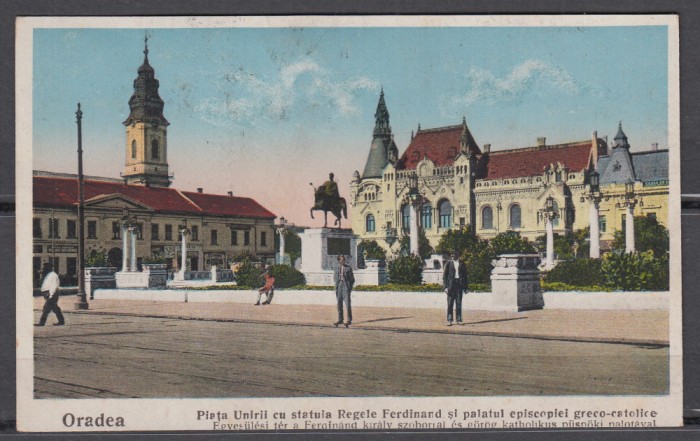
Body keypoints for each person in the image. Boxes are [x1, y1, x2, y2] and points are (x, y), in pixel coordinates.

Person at [443, 251, 468, 326]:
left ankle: (459, 320)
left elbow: (465, 276)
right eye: (451, 255)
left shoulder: (462, 264)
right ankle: (449, 320)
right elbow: (445, 276)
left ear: (458, 255)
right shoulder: (448, 264)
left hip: (459, 285)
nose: (452, 256)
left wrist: (466, 287)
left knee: (459, 304)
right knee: (450, 304)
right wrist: (445, 287)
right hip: (451, 285)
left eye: (454, 255)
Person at [333, 255, 355, 327]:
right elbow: (335, 278)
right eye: (342, 260)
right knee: (339, 303)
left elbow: (352, 280)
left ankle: (349, 320)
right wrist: (336, 287)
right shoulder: (336, 268)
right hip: (339, 286)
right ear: (339, 261)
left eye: (344, 260)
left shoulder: (348, 268)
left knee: (347, 304)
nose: (343, 261)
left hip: (346, 286)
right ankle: (340, 319)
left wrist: (349, 288)